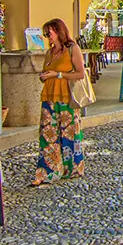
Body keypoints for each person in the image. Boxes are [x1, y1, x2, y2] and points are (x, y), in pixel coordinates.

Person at [33, 18, 87, 186]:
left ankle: (71, 168)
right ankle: (48, 171)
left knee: (69, 134)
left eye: (49, 33)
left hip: (66, 98)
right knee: (48, 134)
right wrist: (45, 76)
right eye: (45, 34)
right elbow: (46, 72)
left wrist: (57, 74)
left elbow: (80, 74)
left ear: (58, 31)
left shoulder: (72, 49)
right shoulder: (49, 52)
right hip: (49, 97)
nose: (47, 37)